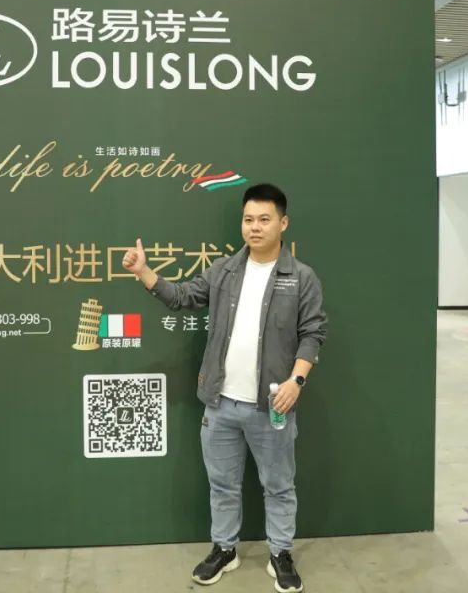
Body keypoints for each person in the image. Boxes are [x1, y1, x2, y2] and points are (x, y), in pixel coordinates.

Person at [122, 183, 327, 593]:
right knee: (222, 484)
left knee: (279, 486)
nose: (255, 227)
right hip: (220, 405)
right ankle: (224, 549)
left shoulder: (301, 277)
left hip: (273, 406)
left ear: (283, 223)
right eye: (248, 219)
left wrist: (296, 380)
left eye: (264, 219)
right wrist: (144, 272)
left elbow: (313, 333)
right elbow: (182, 297)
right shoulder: (224, 271)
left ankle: (280, 553)